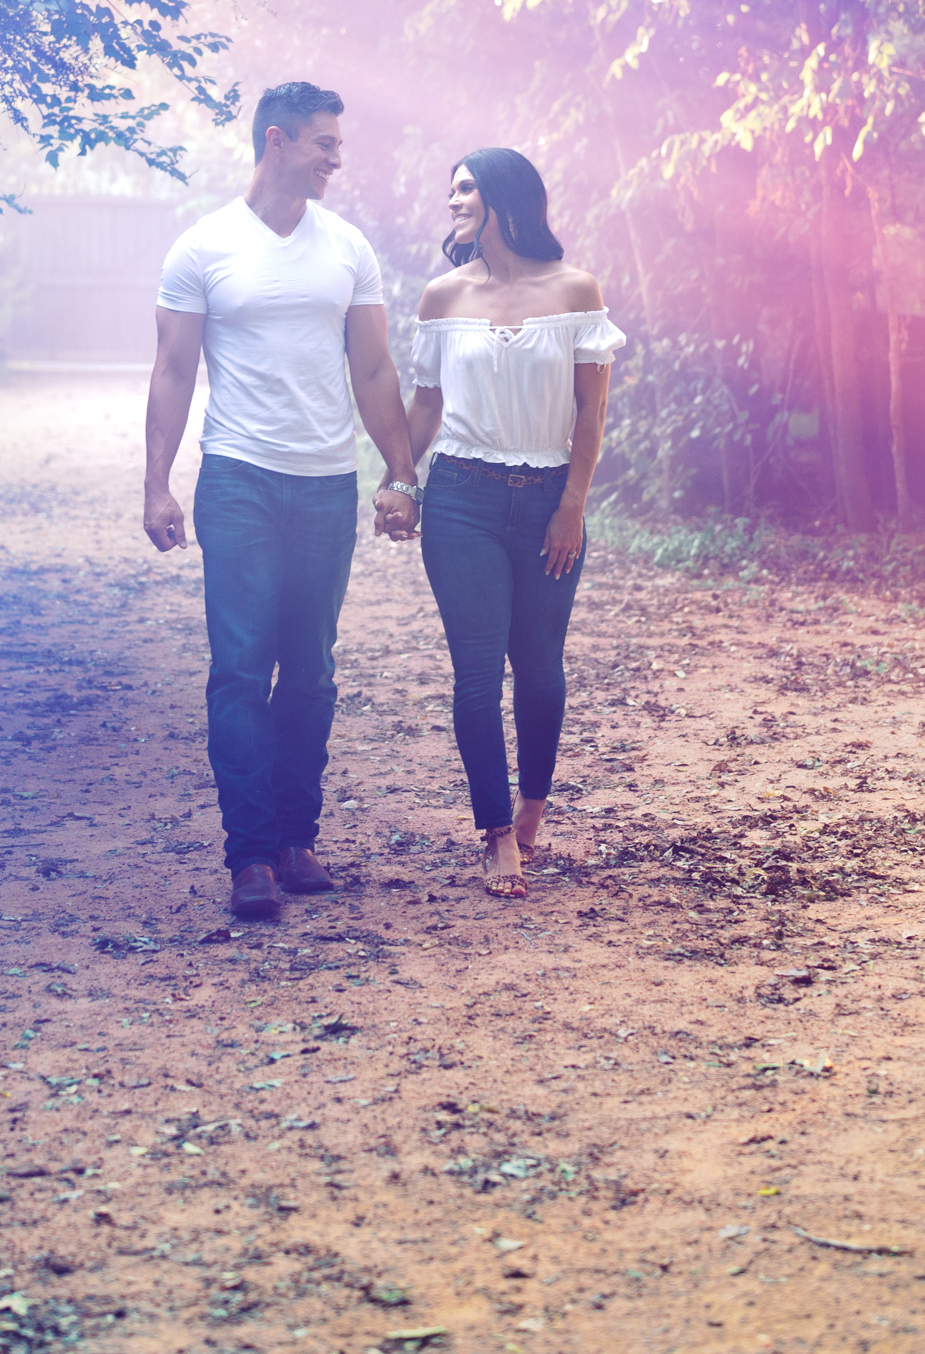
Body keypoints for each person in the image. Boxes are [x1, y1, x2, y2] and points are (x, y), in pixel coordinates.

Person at [143, 81, 422, 923]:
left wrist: (400, 472)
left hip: (327, 484)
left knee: (311, 670)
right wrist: (157, 480)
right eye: (324, 143)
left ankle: (299, 838)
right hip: (238, 480)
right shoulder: (203, 247)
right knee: (238, 668)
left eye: (337, 144)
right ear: (277, 140)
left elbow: (373, 369)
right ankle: (251, 855)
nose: (337, 157)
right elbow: (173, 370)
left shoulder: (347, 248)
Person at [398, 148, 622, 899]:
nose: (453, 198)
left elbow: (591, 412)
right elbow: (425, 406)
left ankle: (532, 807)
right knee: (474, 670)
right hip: (460, 496)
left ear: (505, 198)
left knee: (540, 663)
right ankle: (495, 831)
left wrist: (572, 506)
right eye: (451, 186)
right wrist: (399, 479)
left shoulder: (575, 290)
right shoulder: (441, 295)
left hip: (549, 496)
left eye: (465, 187)